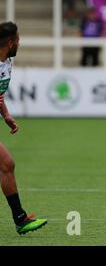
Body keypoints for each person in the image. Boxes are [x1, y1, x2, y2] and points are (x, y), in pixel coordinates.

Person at [0, 22, 47, 235]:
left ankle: (20, 218)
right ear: (10, 43)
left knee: (6, 165)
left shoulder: (7, 62)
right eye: (18, 40)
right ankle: (20, 219)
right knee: (6, 164)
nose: (19, 43)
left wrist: (6, 115)